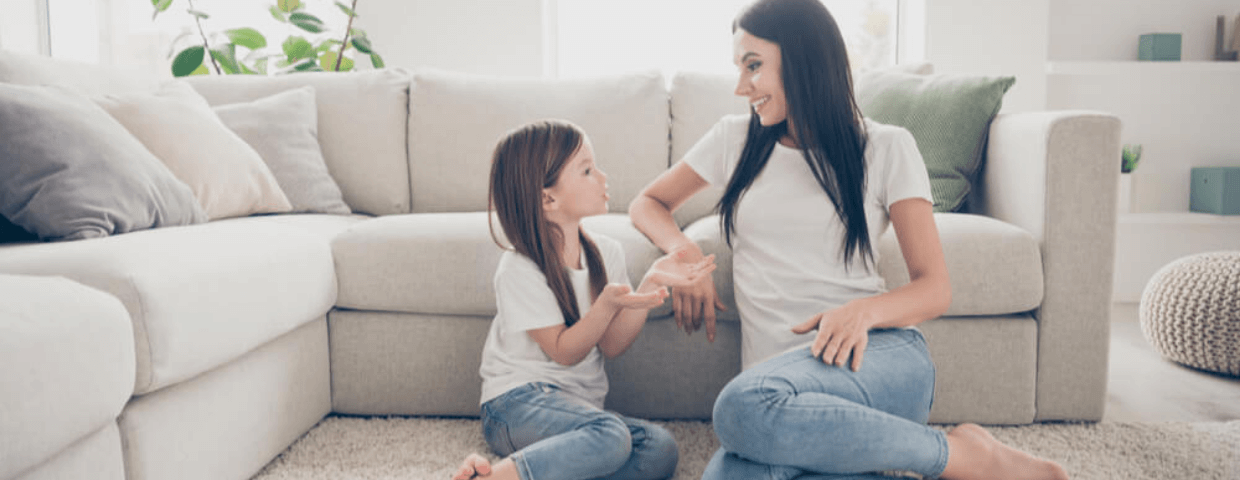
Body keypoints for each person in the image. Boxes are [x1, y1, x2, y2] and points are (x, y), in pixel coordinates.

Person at [628, 1, 1070, 479]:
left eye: (753, 65)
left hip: (875, 358)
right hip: (777, 390)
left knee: (736, 410)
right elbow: (648, 203)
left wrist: (861, 312)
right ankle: (912, 453)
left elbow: (933, 287)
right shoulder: (733, 139)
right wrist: (686, 253)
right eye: (738, 68)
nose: (741, 86)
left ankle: (960, 457)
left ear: (804, 57)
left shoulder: (886, 146)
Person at [453, 119, 716, 480]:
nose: (603, 177)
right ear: (548, 198)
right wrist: (607, 304)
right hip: (514, 405)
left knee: (658, 449)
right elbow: (565, 351)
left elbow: (611, 344)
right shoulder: (520, 268)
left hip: (580, 412)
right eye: (588, 170)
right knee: (609, 436)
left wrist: (650, 282)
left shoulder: (606, 254)